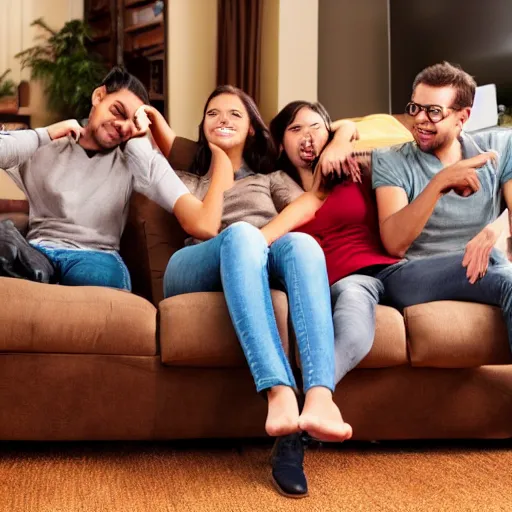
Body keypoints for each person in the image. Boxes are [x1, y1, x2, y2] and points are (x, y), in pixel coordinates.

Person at [144, 85, 356, 497]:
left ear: (254, 130)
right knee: (241, 235)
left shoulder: (271, 178)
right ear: (202, 125)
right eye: (213, 113)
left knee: (302, 244)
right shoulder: (185, 177)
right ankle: (278, 389)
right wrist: (208, 151)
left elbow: (310, 203)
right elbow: (197, 222)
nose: (222, 119)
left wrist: (342, 135)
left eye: (235, 114)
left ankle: (317, 396)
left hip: (262, 256)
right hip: (195, 264)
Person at [264, 101, 401, 498]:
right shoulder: (276, 188)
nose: (308, 137)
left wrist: (342, 135)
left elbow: (391, 127)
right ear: (279, 142)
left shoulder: (353, 170)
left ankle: (297, 422)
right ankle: (296, 429)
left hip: (393, 269)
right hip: (343, 281)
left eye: (316, 127)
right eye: (295, 129)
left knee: (495, 270)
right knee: (356, 331)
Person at [0, 67, 233, 290]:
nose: (122, 126)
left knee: (95, 280)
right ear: (99, 96)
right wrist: (45, 134)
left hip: (95, 257)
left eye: (132, 122)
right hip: (38, 251)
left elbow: (203, 223)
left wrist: (142, 140)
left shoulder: (135, 159)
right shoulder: (47, 145)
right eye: (118, 111)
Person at [371, 61, 512, 348]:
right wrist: (440, 182)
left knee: (497, 263)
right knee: (497, 263)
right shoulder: (390, 159)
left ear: (463, 117)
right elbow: (394, 243)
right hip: (410, 276)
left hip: (484, 269)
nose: (420, 119)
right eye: (415, 108)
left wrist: (494, 230)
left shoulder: (499, 147)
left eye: (433, 111)